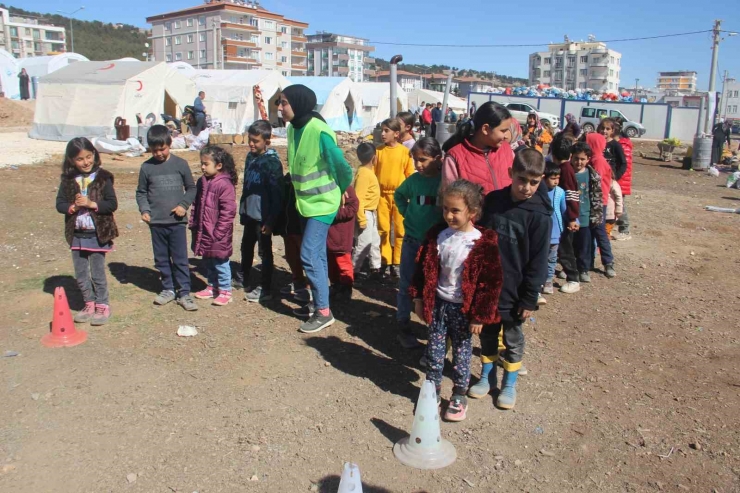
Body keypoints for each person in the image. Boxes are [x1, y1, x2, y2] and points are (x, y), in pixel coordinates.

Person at [410, 179, 504, 422]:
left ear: (472, 212)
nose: (449, 215)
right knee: (434, 350)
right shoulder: (437, 236)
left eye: (455, 210)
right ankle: (431, 391)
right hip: (439, 304)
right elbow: (422, 269)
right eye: (445, 209)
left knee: (462, 352)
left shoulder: (481, 243)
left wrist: (479, 316)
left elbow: (490, 283)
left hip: (462, 309)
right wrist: (419, 298)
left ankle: (459, 394)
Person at [473, 148, 551, 410]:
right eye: (521, 179)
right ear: (510, 174)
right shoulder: (493, 202)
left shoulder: (540, 215)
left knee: (513, 339)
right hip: (489, 287)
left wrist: (529, 298)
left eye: (534, 182)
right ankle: (486, 377)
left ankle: (509, 383)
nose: (526, 187)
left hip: (516, 293)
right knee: (487, 334)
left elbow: (539, 261)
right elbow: (478, 242)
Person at [280, 84, 353, 334]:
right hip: (305, 202)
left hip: (323, 203)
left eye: (283, 103)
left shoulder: (319, 130)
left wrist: (343, 188)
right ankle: (318, 304)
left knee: (309, 255)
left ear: (298, 103)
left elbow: (342, 167)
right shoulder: (294, 128)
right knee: (318, 256)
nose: (280, 108)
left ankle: (323, 311)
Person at [56, 137, 118, 325]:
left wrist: (92, 204)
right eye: (80, 159)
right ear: (71, 161)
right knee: (81, 272)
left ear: (94, 155)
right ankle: (88, 302)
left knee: (97, 272)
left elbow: (112, 204)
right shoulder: (67, 180)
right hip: (76, 234)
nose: (86, 162)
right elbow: (59, 204)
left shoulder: (103, 178)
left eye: (89, 157)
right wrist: (72, 208)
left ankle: (102, 304)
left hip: (97, 234)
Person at [136, 125, 198, 311]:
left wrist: (183, 205)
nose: (159, 153)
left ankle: (184, 292)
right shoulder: (146, 167)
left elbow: (192, 188)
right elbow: (141, 192)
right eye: (154, 150)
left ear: (169, 144)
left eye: (162, 149)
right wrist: (145, 210)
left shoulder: (181, 164)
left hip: (177, 222)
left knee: (180, 258)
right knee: (161, 259)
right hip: (156, 223)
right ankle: (168, 289)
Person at [394, 137, 443, 349]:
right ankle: (403, 324)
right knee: (406, 283)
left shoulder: (444, 181)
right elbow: (399, 196)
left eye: (423, 159)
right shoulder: (413, 182)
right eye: (415, 159)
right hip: (412, 240)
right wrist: (408, 215)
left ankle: (434, 328)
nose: (418, 164)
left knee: (433, 286)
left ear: (438, 159)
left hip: (435, 245)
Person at [237, 120, 284, 303]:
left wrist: (271, 220)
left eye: (255, 141)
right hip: (249, 213)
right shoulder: (250, 157)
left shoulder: (272, 163)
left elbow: (277, 194)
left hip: (263, 217)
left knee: (264, 252)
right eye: (250, 139)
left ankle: (266, 288)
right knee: (245, 245)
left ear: (267, 141)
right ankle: (243, 277)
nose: (251, 144)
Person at [190, 146, 238, 306]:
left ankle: (225, 290)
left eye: (206, 164)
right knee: (208, 259)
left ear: (219, 165)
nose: (202, 167)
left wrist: (218, 232)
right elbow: (196, 205)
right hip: (204, 230)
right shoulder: (202, 182)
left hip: (218, 233)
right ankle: (212, 286)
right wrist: (194, 223)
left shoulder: (224, 185)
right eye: (201, 164)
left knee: (220, 261)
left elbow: (228, 211)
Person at [442, 102, 514, 195]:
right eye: (503, 131)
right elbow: (450, 199)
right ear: (485, 129)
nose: (506, 136)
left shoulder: (507, 150)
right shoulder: (455, 157)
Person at [375, 117, 415, 278]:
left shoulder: (405, 152)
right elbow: (373, 173)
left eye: (387, 131)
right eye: (382, 130)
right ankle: (386, 260)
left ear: (396, 134)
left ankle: (397, 262)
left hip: (400, 197)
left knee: (400, 229)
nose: (383, 134)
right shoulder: (378, 151)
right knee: (383, 229)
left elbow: (409, 174)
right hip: (382, 196)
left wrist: (410, 195)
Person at [548, 132, 581, 294]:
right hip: (563, 216)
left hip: (566, 217)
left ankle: (573, 278)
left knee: (565, 247)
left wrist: (573, 217)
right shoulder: (563, 168)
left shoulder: (565, 170)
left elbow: (572, 194)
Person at [570, 141, 606, 283]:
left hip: (585, 217)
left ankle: (583, 269)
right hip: (571, 217)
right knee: (571, 245)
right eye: (576, 158)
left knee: (584, 245)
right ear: (571, 158)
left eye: (582, 159)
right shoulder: (567, 173)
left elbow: (597, 196)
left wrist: (596, 215)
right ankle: (571, 269)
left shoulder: (592, 175)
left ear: (588, 159)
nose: (579, 162)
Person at [585, 133, 616, 279]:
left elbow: (596, 183)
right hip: (595, 201)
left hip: (598, 202)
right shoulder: (595, 159)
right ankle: (589, 261)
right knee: (591, 232)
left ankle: (608, 262)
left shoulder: (597, 161)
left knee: (599, 232)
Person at [352, 142, 382, 279]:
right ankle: (353, 271)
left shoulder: (367, 172)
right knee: (363, 243)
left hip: (371, 213)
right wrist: (362, 219)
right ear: (374, 158)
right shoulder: (364, 174)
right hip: (365, 214)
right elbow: (359, 198)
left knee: (375, 241)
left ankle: (375, 268)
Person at [327, 185, 359, 301]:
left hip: (342, 235)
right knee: (331, 263)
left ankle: (346, 288)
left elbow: (353, 207)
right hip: (329, 235)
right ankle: (335, 284)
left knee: (343, 263)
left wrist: (332, 213)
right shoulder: (326, 186)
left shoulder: (347, 189)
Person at [541, 161, 566, 300]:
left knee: (552, 258)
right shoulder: (538, 192)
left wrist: (574, 220)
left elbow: (564, 210)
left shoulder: (560, 193)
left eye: (558, 178)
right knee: (540, 258)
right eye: (553, 178)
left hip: (555, 233)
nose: (556, 181)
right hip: (542, 233)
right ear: (544, 177)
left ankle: (548, 280)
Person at [614, 118, 633, 240]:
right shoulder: (617, 143)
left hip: (621, 179)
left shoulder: (624, 145)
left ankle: (625, 230)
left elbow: (624, 165)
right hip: (617, 178)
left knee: (620, 204)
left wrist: (616, 177)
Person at [605, 172, 623, 238]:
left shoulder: (613, 183)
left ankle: (604, 246)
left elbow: (619, 197)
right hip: (602, 213)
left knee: (606, 232)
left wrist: (618, 210)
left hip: (610, 214)